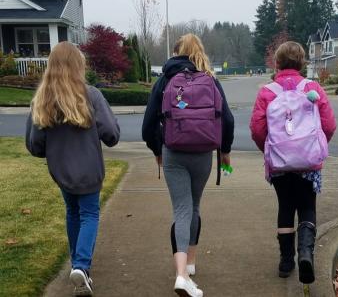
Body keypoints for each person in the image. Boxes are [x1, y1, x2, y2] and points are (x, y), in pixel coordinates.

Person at [142, 34, 234, 297]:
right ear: (200, 52)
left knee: (181, 210)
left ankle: (181, 273)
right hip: (203, 153)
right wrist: (224, 151)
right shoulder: (211, 79)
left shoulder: (165, 80)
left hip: (173, 152)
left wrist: (157, 150)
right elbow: (227, 119)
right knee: (193, 206)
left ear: (176, 52)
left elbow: (148, 124)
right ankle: (189, 265)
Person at [25, 42, 120, 296]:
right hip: (89, 170)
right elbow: (111, 133)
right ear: (78, 65)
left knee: (73, 212)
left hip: (62, 172)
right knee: (89, 214)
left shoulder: (42, 100)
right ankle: (80, 265)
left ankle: (80, 266)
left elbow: (35, 144)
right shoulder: (91, 95)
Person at [250, 41, 336, 284]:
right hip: (308, 163)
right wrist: (316, 146)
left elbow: (257, 129)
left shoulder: (267, 91)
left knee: (285, 207)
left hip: (279, 162)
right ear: (302, 63)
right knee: (308, 206)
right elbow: (329, 125)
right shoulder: (313, 87)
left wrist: (269, 149)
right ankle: (306, 253)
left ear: (277, 63)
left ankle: (286, 261)